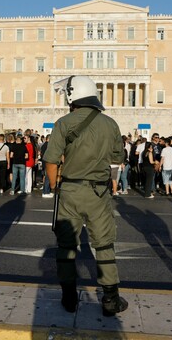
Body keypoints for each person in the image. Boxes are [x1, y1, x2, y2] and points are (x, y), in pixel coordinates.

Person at [43, 75, 128, 317]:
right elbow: (117, 159)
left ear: (72, 97)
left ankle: (69, 298)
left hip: (70, 189)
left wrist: (54, 184)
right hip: (98, 191)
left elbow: (50, 159)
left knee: (67, 246)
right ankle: (110, 299)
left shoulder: (63, 123)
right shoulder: (110, 124)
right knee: (104, 244)